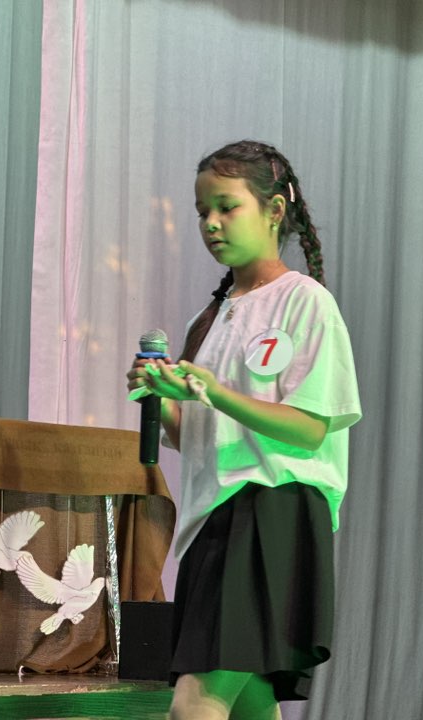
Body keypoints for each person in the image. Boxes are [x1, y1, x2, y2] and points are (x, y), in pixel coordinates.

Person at [126, 140, 361, 720]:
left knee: (195, 704)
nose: (211, 223)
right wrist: (163, 398)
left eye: (227, 207)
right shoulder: (208, 318)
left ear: (275, 210)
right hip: (214, 518)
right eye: (202, 211)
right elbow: (194, 435)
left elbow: (308, 428)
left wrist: (214, 391)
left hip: (271, 511)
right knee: (251, 703)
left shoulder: (305, 303)